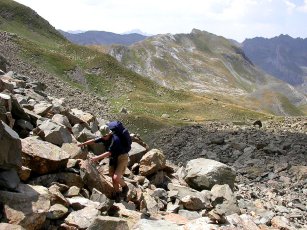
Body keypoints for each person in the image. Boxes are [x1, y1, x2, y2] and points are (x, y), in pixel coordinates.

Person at [78, 121, 130, 202]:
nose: (104, 137)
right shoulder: (104, 137)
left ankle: (125, 187)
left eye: (105, 136)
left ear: (109, 133)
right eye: (103, 136)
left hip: (122, 158)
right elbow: (94, 140)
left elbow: (109, 152)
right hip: (113, 158)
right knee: (113, 177)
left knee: (116, 177)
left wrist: (96, 158)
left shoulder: (115, 140)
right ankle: (118, 194)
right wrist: (83, 143)